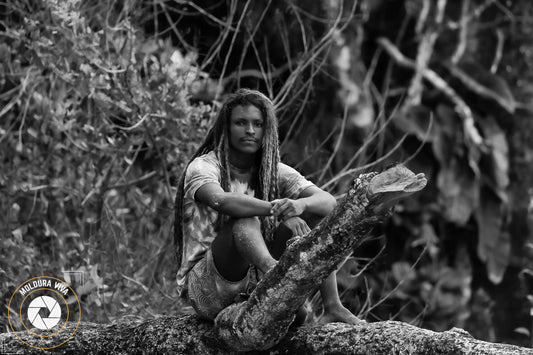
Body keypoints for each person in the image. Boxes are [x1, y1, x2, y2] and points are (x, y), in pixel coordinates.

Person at [174, 88, 363, 325]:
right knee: (245, 219)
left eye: (258, 124)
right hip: (209, 285)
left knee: (317, 216)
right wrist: (277, 210)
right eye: (241, 123)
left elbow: (328, 202)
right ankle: (278, 285)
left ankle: (333, 305)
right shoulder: (203, 166)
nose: (250, 130)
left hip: (253, 278)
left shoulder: (273, 170)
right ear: (226, 128)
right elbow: (222, 201)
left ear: (267, 130)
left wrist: (298, 205)